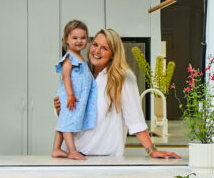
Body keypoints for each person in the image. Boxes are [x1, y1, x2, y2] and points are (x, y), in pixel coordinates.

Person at [55, 28, 180, 160]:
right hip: (70, 156)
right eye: (95, 45)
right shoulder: (78, 70)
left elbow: (134, 118)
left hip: (102, 159)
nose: (97, 51)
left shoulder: (123, 77)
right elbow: (72, 112)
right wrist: (60, 109)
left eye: (104, 48)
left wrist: (151, 150)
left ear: (113, 54)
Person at [52, 20, 97, 160]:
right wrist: (70, 95)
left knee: (64, 123)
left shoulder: (80, 58)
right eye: (75, 38)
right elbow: (66, 77)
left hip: (75, 97)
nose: (79, 41)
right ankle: (72, 150)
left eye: (83, 38)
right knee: (68, 124)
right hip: (70, 96)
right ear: (67, 39)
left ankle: (56, 149)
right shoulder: (69, 58)